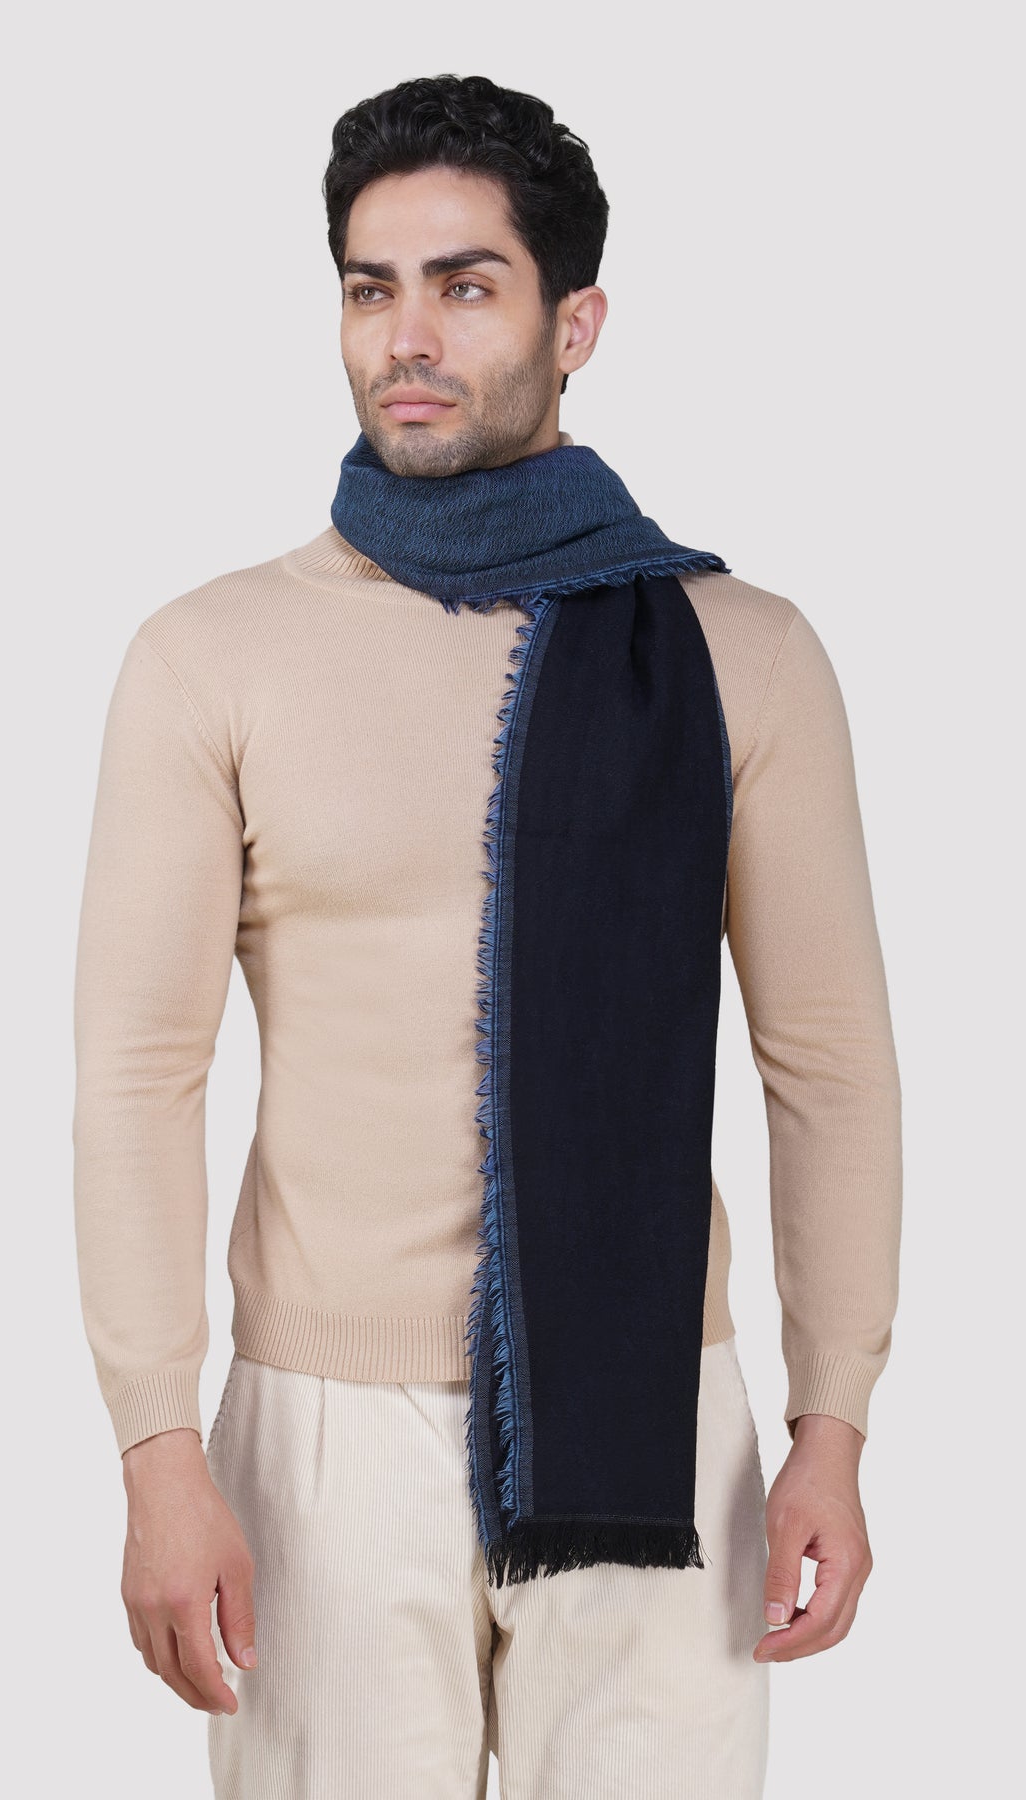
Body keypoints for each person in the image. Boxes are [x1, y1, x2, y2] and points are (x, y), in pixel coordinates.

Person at [72, 72, 902, 1800]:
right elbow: (139, 1075)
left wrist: (831, 1423)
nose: (408, 338)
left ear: (573, 323)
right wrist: (157, 1447)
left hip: (655, 1410)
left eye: (466, 285)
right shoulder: (211, 655)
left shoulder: (739, 653)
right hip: (321, 1440)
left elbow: (826, 1066)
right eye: (370, 289)